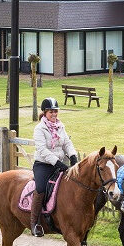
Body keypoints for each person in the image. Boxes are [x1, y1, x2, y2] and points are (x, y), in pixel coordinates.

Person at [31, 97, 78, 237]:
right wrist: (57, 162)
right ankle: (35, 223)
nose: (54, 114)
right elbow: (42, 150)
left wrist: (73, 156)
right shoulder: (39, 128)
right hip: (43, 165)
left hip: (60, 164)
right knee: (40, 188)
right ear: (45, 113)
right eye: (51, 112)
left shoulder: (60, 126)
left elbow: (67, 143)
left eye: (56, 111)